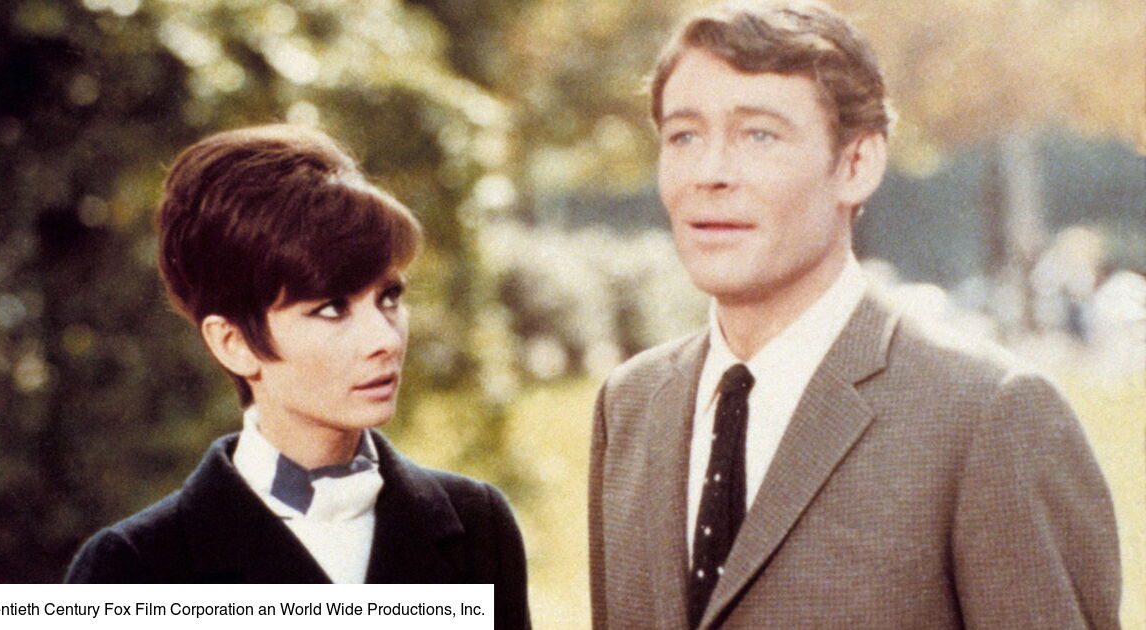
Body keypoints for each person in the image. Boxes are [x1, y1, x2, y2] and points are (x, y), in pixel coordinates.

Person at [587, 2, 1120, 628]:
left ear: (857, 165)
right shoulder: (629, 405)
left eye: (759, 135)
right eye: (684, 136)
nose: (710, 173)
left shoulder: (987, 416)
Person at [67, 124, 531, 629]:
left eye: (389, 297)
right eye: (332, 308)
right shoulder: (134, 569)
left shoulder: (476, 524)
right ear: (234, 342)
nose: (385, 339)